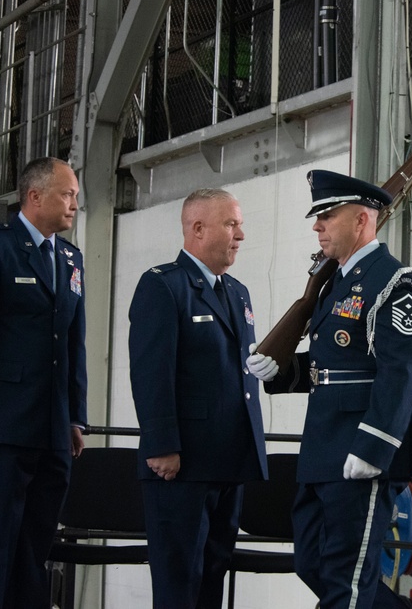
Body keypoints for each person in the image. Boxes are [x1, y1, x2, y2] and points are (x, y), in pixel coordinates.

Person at [247, 170, 412, 609]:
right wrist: (280, 370)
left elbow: (400, 371)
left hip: (358, 449)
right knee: (312, 563)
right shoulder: (334, 283)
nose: (317, 226)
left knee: (346, 581)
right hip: (322, 447)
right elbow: (330, 366)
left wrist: (375, 446)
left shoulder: (395, 282)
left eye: (328, 215)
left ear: (363, 220)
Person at [0, 156, 87, 608]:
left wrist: (76, 418)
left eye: (76, 197)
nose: (74, 205)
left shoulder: (69, 257)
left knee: (36, 546)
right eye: (67, 195)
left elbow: (73, 343)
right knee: (1, 542)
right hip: (3, 428)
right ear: (35, 196)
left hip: (52, 430)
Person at [128, 189, 268, 608]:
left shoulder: (237, 291)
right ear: (198, 228)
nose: (240, 234)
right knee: (179, 579)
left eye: (240, 224)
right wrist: (161, 444)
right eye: (231, 224)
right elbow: (151, 373)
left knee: (213, 575)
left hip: (229, 459)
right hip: (181, 464)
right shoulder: (164, 286)